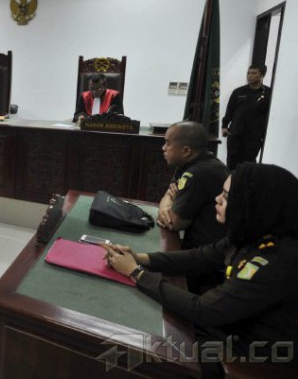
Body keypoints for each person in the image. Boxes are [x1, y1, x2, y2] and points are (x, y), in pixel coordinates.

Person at [102, 163, 298, 374]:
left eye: (226, 196)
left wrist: (136, 273)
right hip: (231, 325)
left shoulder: (276, 260)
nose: (217, 199)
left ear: (254, 204)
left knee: (150, 349)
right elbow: (200, 257)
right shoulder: (252, 234)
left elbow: (204, 310)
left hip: (255, 354)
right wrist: (140, 258)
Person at [158, 122, 229, 250]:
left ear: (186, 151)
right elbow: (170, 191)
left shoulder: (197, 173)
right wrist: (169, 198)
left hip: (205, 252)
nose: (163, 148)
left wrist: (165, 205)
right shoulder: (192, 162)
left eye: (168, 143)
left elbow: (174, 222)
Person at [221, 64, 271, 170]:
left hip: (253, 137)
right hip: (235, 133)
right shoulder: (238, 92)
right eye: (248, 73)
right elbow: (230, 110)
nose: (250, 76)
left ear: (262, 75)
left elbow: (269, 115)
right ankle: (231, 180)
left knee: (248, 164)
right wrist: (224, 126)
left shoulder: (268, 93)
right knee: (232, 161)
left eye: (254, 73)